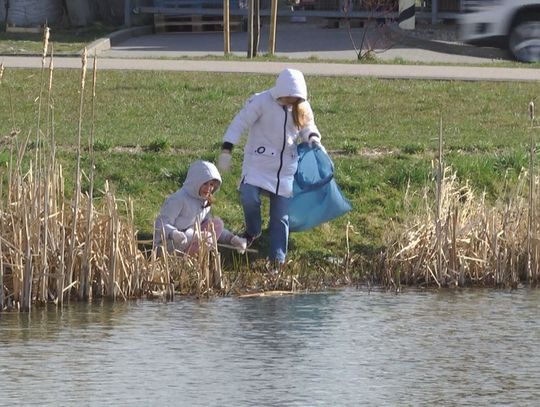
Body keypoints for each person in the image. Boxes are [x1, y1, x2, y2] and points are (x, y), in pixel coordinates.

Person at [217, 68, 323, 271]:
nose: (290, 102)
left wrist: (313, 139)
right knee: (248, 195)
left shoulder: (301, 106)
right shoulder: (261, 101)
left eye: (295, 99)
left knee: (280, 218)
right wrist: (227, 149)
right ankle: (253, 231)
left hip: (285, 170)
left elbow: (308, 127)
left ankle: (277, 261)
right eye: (288, 98)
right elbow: (239, 123)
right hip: (258, 164)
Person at [153, 160, 247, 256]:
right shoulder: (178, 199)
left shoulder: (204, 201)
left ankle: (193, 259)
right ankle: (183, 262)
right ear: (195, 182)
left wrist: (232, 239)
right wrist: (174, 233)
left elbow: (209, 226)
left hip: (188, 238)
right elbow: (161, 224)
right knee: (206, 238)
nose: (209, 188)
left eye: (211, 184)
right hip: (169, 245)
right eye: (205, 184)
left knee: (216, 224)